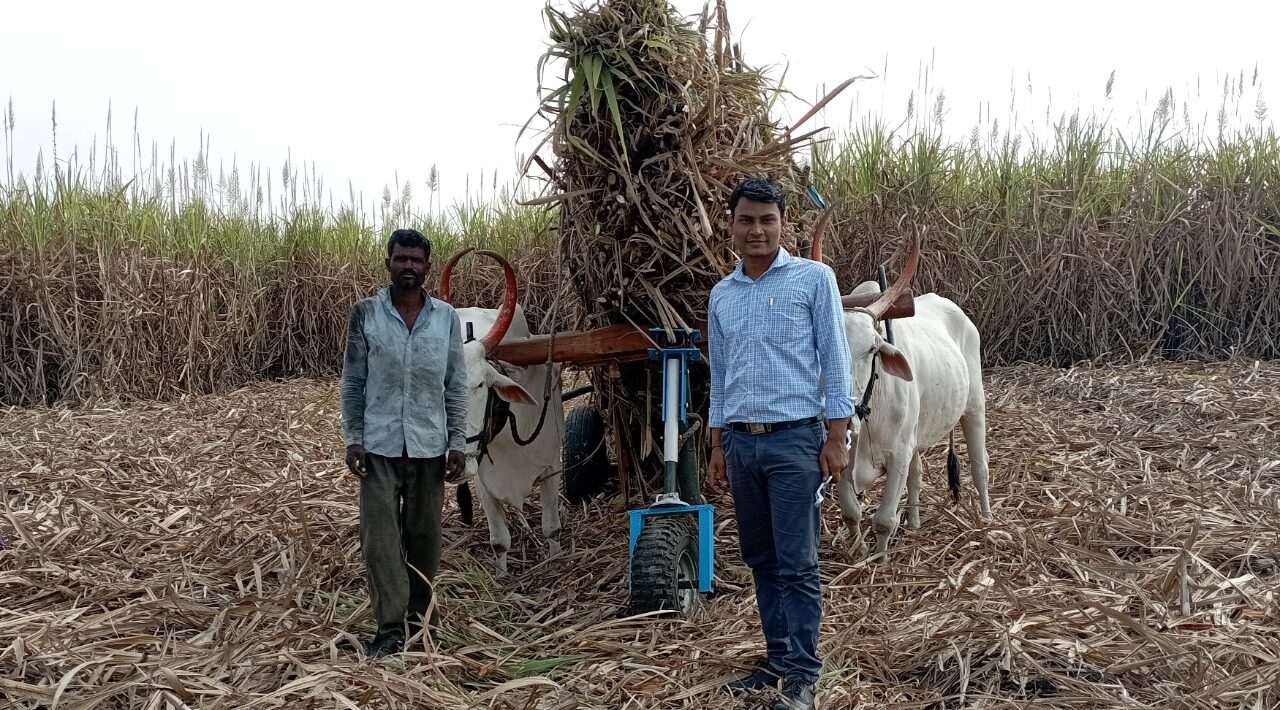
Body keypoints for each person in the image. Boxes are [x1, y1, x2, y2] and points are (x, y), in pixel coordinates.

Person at [706, 176, 854, 710]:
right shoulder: (722, 295)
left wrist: (836, 436)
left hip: (795, 441)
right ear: (731, 224)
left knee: (797, 562)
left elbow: (836, 363)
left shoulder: (813, 280)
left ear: (783, 225)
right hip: (743, 445)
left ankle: (803, 673)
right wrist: (719, 445)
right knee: (760, 557)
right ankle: (775, 658)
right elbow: (720, 378)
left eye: (768, 220)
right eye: (746, 219)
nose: (757, 230)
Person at [340, 228, 468, 657]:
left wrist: (457, 443)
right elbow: (354, 381)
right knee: (379, 539)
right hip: (378, 446)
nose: (408, 266)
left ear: (427, 266)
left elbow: (455, 385)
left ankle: (419, 622)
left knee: (424, 538)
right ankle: (389, 628)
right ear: (389, 262)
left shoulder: (446, 318)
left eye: (415, 259)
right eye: (400, 258)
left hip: (430, 446)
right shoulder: (366, 314)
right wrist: (353, 438)